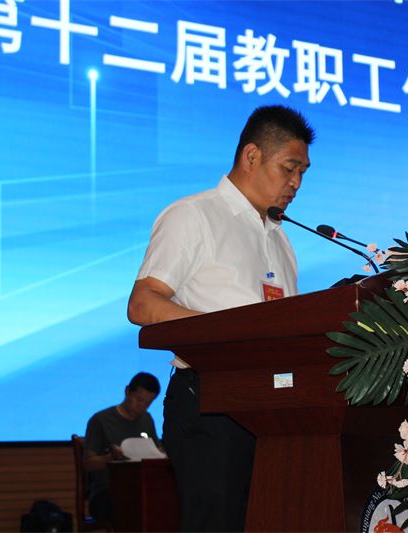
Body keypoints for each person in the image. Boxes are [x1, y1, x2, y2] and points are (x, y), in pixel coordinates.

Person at [127, 105, 314, 531]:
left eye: (303, 172)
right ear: (251, 156)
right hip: (210, 404)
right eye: (289, 168)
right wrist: (227, 333)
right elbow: (143, 303)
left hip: (272, 409)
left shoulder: (280, 238)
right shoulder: (194, 215)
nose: (296, 183)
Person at [83, 372, 161, 523]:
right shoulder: (100, 420)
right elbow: (88, 463)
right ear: (127, 391)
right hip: (107, 491)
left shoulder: (147, 420)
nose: (142, 407)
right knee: (132, 507)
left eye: (148, 403)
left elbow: (157, 451)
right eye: (139, 400)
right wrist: (110, 458)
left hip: (141, 488)